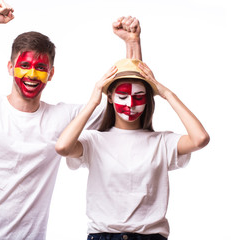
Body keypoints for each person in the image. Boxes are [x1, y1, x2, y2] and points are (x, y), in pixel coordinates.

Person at [0, 0, 143, 238]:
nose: (32, 74)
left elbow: (129, 108)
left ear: (51, 73)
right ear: (10, 67)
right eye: (24, 65)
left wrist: (132, 44)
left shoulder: (62, 117)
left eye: (40, 68)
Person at [55, 59, 210, 240]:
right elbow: (63, 147)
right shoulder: (94, 140)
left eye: (139, 97)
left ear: (147, 99)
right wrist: (93, 102)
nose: (130, 104)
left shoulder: (162, 142)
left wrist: (166, 93)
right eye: (122, 96)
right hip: (103, 236)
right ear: (110, 98)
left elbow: (200, 139)